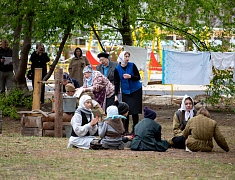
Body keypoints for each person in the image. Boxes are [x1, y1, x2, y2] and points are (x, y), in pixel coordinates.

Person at [114, 51, 142, 134]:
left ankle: (135, 129)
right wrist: (115, 95)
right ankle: (125, 130)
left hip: (135, 90)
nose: (127, 58)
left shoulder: (132, 65)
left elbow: (138, 77)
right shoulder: (117, 69)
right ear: (122, 57)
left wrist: (130, 77)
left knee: (135, 111)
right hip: (125, 91)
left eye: (128, 56)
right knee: (126, 110)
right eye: (125, 56)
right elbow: (116, 83)